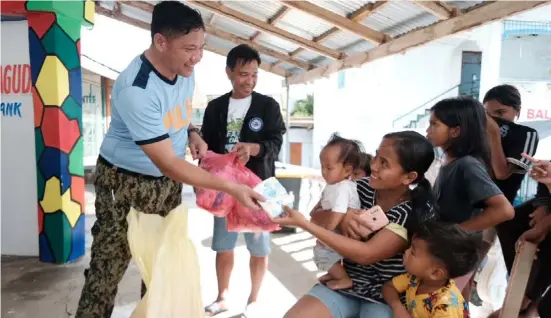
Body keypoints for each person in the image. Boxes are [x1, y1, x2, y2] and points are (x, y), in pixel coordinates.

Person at [75, 3, 264, 318]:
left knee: (163, 269)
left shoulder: (184, 70)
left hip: (167, 186)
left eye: (201, 47)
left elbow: (175, 116)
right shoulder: (137, 89)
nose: (198, 57)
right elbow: (169, 163)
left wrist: (191, 133)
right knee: (106, 272)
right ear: (161, 42)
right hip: (124, 184)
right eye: (190, 48)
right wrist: (231, 187)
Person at [273, 131, 438, 318]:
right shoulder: (357, 187)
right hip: (347, 283)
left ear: (408, 177)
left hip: (386, 295)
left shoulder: (409, 212)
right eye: (376, 156)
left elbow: (366, 254)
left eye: (384, 163)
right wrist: (343, 216)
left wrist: (308, 224)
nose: (373, 166)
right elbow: (316, 215)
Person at [200, 44, 286, 317]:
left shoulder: (268, 105)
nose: (249, 80)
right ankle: (223, 297)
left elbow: (275, 142)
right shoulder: (215, 107)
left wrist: (253, 149)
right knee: (223, 245)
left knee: (259, 247)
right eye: (242, 74)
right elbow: (207, 147)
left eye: (254, 74)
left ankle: (254, 299)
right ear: (229, 73)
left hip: (259, 185)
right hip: (224, 188)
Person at [426, 97, 514, 299]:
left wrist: (457, 231)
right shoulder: (449, 162)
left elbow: (504, 210)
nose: (428, 130)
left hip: (456, 253)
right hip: (445, 251)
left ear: (455, 131)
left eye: (434, 124)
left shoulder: (467, 165)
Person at [383, 221, 482, 318]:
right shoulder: (417, 278)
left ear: (435, 273)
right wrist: (398, 308)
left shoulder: (446, 309)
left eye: (413, 252)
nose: (406, 251)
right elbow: (389, 287)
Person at [312, 133, 363, 290]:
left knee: (322, 252)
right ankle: (336, 273)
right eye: (322, 166)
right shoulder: (334, 185)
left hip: (342, 228)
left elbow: (339, 212)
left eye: (329, 168)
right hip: (337, 226)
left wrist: (325, 231)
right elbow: (319, 206)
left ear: (348, 170)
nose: (324, 172)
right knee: (327, 253)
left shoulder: (343, 187)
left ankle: (343, 278)